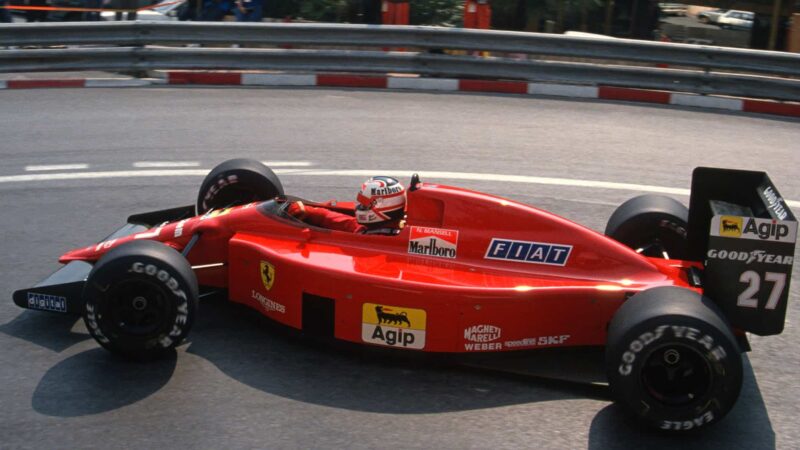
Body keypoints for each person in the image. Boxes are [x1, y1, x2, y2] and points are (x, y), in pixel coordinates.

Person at [288, 176, 406, 234]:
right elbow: (344, 222)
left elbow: (346, 224)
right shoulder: (391, 227)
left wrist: (312, 212)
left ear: (381, 206)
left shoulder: (373, 239)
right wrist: (312, 211)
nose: (360, 207)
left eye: (365, 205)